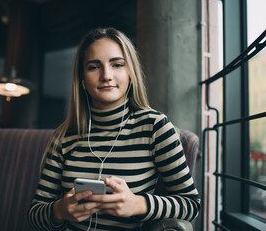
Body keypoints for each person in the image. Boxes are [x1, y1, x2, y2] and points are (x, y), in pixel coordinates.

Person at [28, 27, 200, 231]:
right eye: (94, 67)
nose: (106, 75)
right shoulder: (64, 136)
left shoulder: (155, 127)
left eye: (117, 64)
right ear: (82, 78)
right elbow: (35, 214)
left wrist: (138, 204)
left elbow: (191, 204)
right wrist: (59, 210)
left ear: (131, 73)